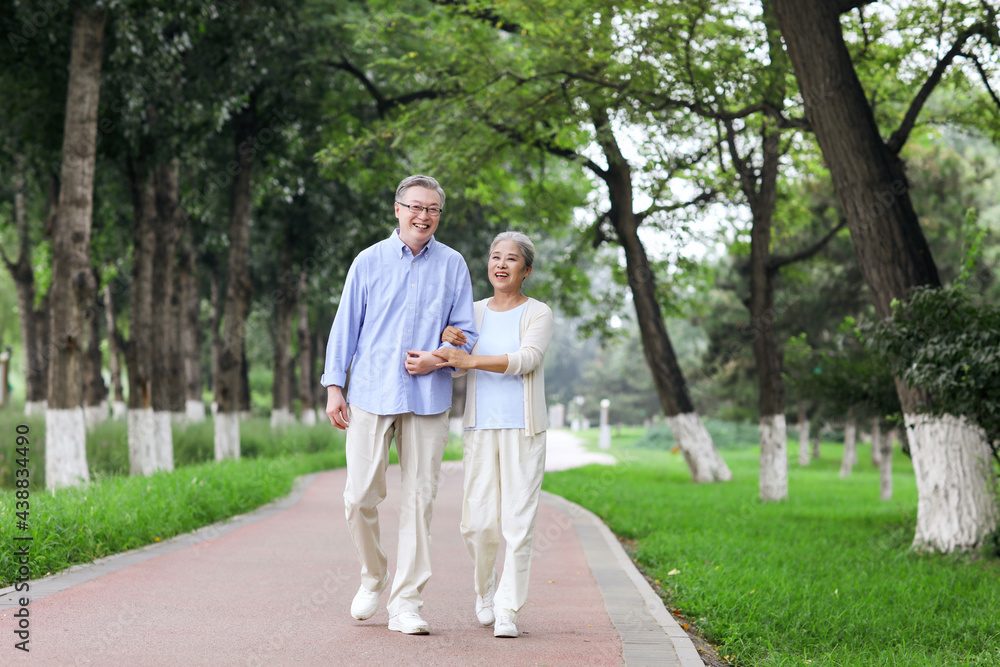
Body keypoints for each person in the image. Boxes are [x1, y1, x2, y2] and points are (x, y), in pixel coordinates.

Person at [322, 174, 478, 635]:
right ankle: (374, 575)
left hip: (429, 400)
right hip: (370, 393)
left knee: (419, 501)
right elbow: (344, 326)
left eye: (432, 209)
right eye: (415, 206)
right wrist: (335, 386)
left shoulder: (453, 265)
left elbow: (465, 332)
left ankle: (407, 602)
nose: (423, 216)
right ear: (397, 209)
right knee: (358, 496)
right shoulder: (368, 262)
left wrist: (438, 358)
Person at [433, 231, 553, 639]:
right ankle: (484, 589)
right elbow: (457, 367)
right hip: (480, 427)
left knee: (518, 523)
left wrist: (471, 357)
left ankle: (507, 609)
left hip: (524, 428)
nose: (501, 264)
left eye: (512, 259)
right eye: (495, 257)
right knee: (478, 523)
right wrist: (447, 345)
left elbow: (527, 359)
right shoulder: (473, 311)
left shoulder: (538, 313)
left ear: (527, 270)